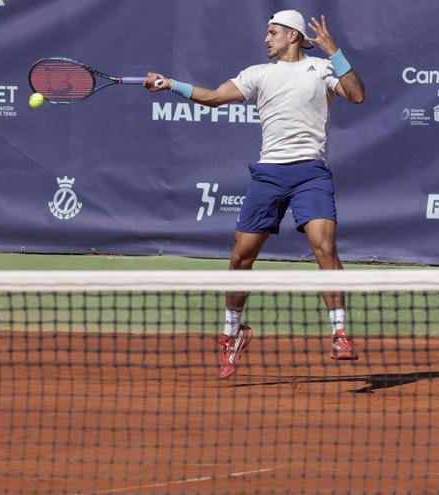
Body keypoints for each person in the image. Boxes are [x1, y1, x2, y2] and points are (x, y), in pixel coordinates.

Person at [144, 10, 365, 379]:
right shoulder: (257, 74)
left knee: (324, 248)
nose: (266, 39)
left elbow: (357, 95)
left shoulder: (324, 69)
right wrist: (172, 85)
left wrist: (335, 52)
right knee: (240, 260)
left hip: (310, 172)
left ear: (293, 35)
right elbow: (213, 96)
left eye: (273, 32)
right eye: (266, 33)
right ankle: (233, 332)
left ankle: (339, 333)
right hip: (269, 175)